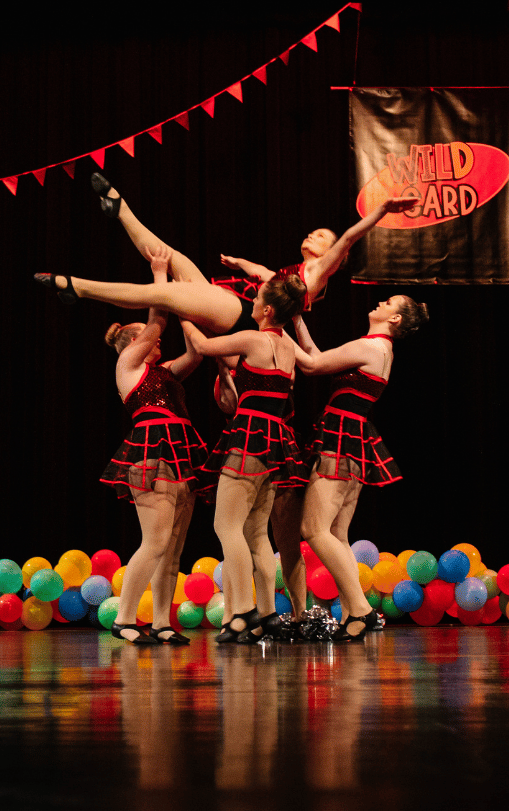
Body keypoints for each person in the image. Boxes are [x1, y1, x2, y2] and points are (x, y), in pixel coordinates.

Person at [33, 174, 416, 334]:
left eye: (320, 235)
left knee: (162, 292)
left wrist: (381, 212)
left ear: (334, 255)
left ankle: (78, 286)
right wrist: (239, 263)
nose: (311, 235)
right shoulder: (294, 271)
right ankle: (121, 209)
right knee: (175, 257)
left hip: (243, 319)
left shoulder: (318, 273)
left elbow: (348, 237)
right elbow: (262, 271)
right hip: (231, 301)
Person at [292, 295, 429, 641]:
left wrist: (274, 336)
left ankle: (361, 609)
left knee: (313, 528)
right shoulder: (376, 348)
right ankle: (354, 612)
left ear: (395, 319)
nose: (381, 302)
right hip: (352, 440)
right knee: (336, 534)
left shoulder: (373, 347)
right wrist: (295, 320)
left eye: (389, 303)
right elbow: (316, 357)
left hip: (342, 440)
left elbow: (311, 365)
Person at [180, 276, 308, 643]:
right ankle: (266, 611)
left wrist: (182, 309)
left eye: (256, 298)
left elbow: (203, 345)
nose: (250, 301)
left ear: (267, 310)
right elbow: (239, 364)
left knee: (227, 527)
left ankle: (242, 611)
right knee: (256, 532)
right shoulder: (286, 348)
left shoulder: (254, 338)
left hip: (250, 438)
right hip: (275, 442)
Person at [100, 246, 206, 645]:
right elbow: (157, 320)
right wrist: (161, 276)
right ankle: (125, 619)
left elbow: (196, 352)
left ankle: (161, 622)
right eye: (143, 333)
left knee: (174, 547)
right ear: (132, 340)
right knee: (156, 541)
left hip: (181, 454)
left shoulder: (164, 373)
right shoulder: (128, 363)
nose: (152, 337)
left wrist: (190, 303)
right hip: (151, 452)